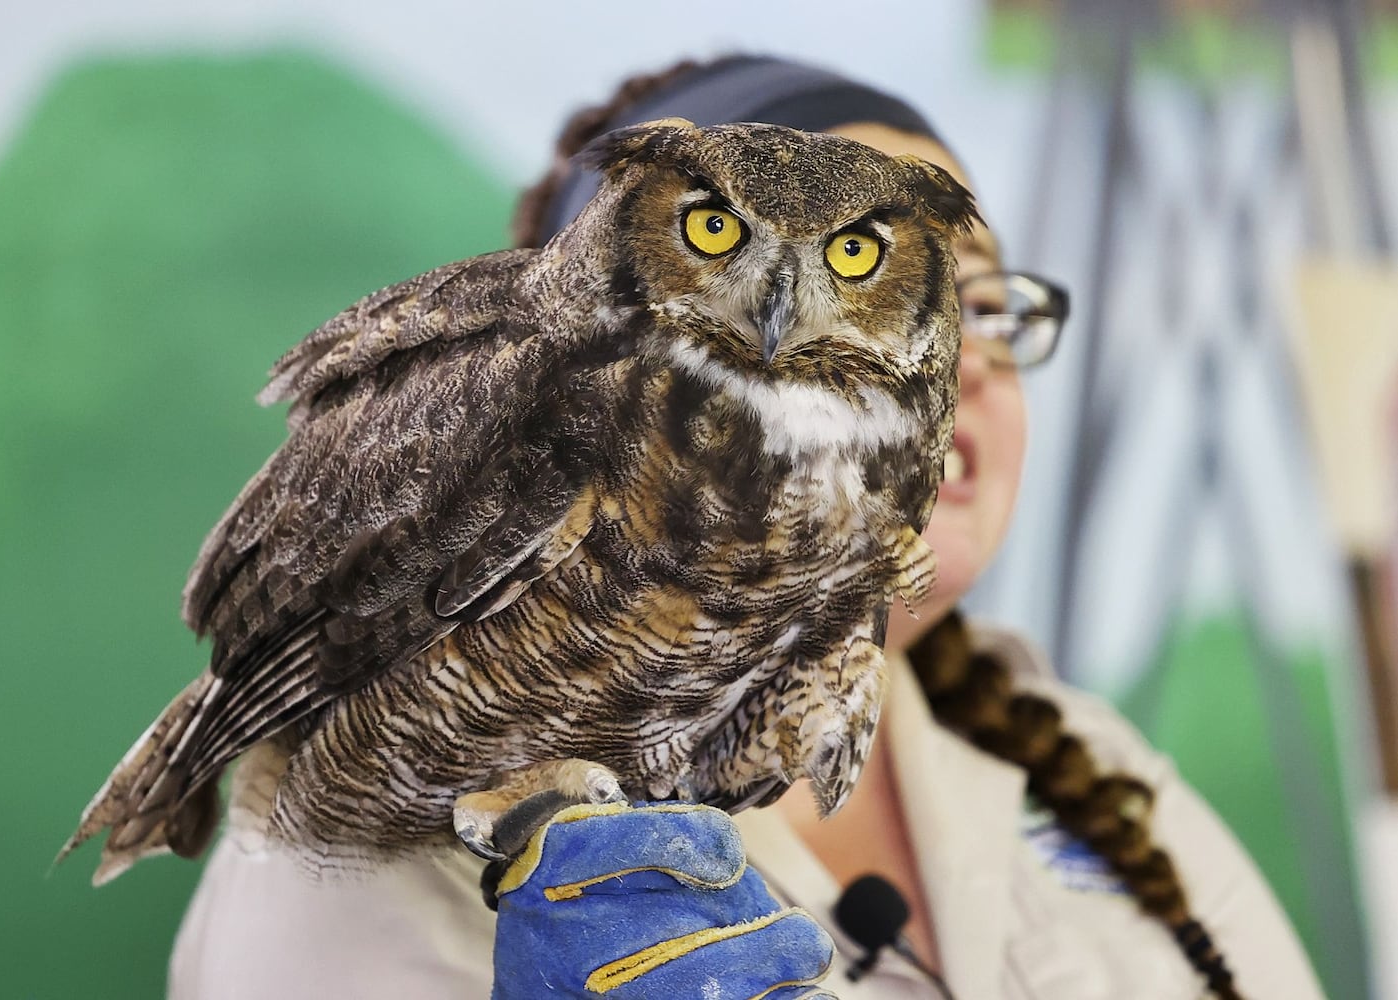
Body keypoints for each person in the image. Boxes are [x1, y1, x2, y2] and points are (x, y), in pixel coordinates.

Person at [169, 56, 1325, 999]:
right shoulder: (352, 863)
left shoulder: (1081, 766)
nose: (960, 361)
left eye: (889, 271)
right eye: (716, 237)